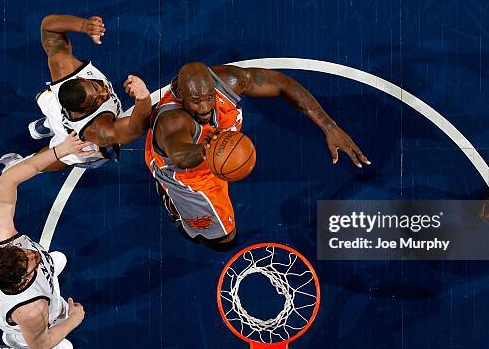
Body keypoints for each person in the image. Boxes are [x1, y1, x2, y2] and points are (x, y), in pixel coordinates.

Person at [145, 62, 370, 249]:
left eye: (208, 98)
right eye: (196, 101)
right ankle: (173, 202)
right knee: (224, 240)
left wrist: (329, 126)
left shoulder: (228, 81)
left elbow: (281, 84)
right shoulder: (172, 121)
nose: (205, 107)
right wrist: (202, 150)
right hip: (187, 174)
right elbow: (178, 154)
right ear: (181, 95)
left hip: (216, 154)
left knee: (225, 158)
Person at [0, 14, 152, 181]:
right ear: (85, 110)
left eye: (95, 86)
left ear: (79, 79)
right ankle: (7, 169)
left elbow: (48, 27)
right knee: (61, 157)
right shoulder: (100, 130)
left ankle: (48, 124)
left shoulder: (64, 67)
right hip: (74, 142)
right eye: (97, 99)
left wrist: (84, 25)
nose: (104, 93)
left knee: (53, 108)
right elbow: (136, 128)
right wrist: (143, 97)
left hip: (57, 109)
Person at [0, 133, 91, 349]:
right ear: (20, 280)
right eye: (29, 263)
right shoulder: (31, 310)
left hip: (13, 289)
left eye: (22, 253)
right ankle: (18, 340)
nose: (32, 254)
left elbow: (8, 179)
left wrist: (61, 150)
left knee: (44, 266)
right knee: (51, 317)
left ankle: (46, 275)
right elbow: (42, 343)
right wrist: (73, 320)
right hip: (26, 321)